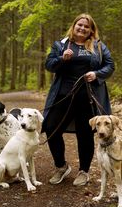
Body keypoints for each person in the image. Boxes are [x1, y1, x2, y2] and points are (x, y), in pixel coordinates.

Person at [42, 13, 115, 186]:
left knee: (85, 134)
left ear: (91, 30)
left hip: (88, 97)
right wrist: (61, 59)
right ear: (74, 26)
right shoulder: (61, 44)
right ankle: (61, 166)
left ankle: (84, 171)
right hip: (63, 96)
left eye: (86, 26)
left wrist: (96, 74)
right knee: (51, 128)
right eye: (79, 25)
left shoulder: (98, 46)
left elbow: (110, 66)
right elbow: (49, 65)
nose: (82, 28)